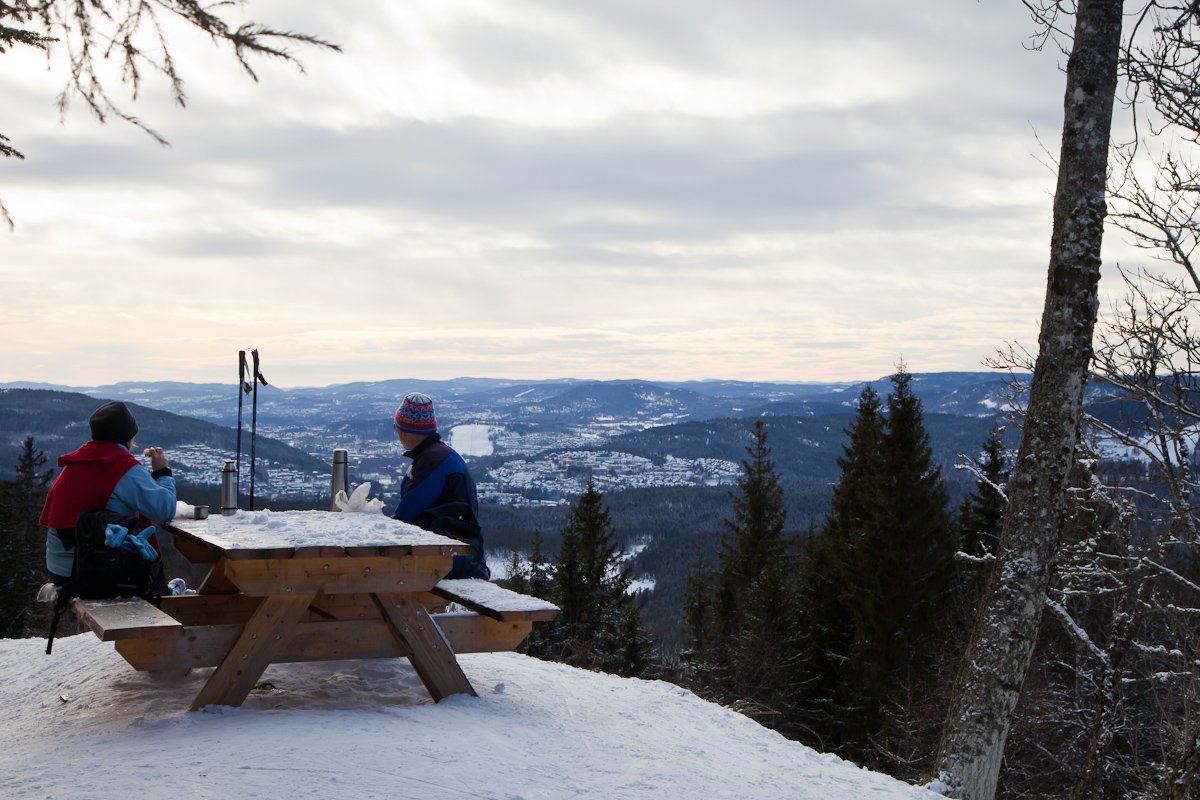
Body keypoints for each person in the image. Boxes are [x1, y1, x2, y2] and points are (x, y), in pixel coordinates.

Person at [38, 400, 176, 592]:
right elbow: (165, 511)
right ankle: (165, 594)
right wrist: (162, 472)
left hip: (60, 572)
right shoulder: (121, 467)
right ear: (129, 436)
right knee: (147, 563)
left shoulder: (77, 462)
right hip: (92, 572)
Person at [390, 392, 490, 580]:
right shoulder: (438, 455)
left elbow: (405, 516)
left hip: (453, 558)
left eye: (396, 427)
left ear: (404, 431)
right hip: (460, 552)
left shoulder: (432, 462)